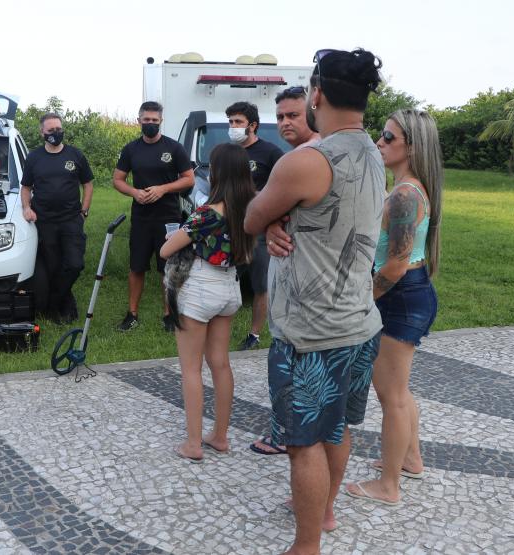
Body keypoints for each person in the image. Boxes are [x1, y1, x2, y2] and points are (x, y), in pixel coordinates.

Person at [246, 48, 385, 554]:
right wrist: (286, 220)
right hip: (361, 322)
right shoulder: (374, 150)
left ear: (317, 94)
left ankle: (305, 546)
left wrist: (273, 221)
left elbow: (250, 219)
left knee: (302, 443)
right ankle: (324, 514)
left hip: (311, 332)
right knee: (338, 426)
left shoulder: (305, 161)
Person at [343, 109, 443, 505]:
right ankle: (411, 458)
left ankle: (388, 486)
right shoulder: (406, 187)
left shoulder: (405, 193)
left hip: (399, 296)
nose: (379, 143)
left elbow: (397, 262)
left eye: (388, 137)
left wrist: (363, 300)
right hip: (408, 292)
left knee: (392, 396)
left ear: (412, 147)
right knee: (399, 390)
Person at [160, 143, 256, 461]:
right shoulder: (250, 209)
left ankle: (193, 444)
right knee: (221, 363)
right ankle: (220, 436)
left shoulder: (207, 213)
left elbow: (166, 251)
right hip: (230, 288)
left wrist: (173, 237)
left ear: (217, 173)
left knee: (190, 368)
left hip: (201, 287)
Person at [249, 86, 321, 457]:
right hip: (296, 277)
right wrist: (270, 224)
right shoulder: (300, 155)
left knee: (289, 364)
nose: (285, 123)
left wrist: (264, 221)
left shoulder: (305, 158)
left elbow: (253, 215)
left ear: (312, 109)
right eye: (279, 117)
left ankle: (287, 436)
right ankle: (294, 434)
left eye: (292, 115)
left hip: (303, 286)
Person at [113, 101, 194, 332]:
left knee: (167, 266)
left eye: (154, 121)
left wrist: (163, 189)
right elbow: (117, 179)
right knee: (136, 266)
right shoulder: (131, 149)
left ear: (161, 121)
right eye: (146, 120)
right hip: (141, 216)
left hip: (168, 216)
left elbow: (189, 179)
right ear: (139, 120)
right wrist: (134, 192)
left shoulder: (174, 148)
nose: (150, 124)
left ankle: (169, 314)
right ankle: (132, 314)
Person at [21, 113, 94, 324]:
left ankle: (54, 301)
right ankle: (63, 309)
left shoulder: (75, 155)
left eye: (59, 129)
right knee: (53, 266)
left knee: (74, 264)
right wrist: (27, 208)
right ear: (42, 132)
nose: (56, 133)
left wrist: (84, 210)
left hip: (71, 218)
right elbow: (26, 188)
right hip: (44, 221)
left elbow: (87, 184)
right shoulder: (34, 158)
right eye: (51, 130)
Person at [226, 101, 284, 351]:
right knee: (227, 278)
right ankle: (220, 329)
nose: (233, 127)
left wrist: (257, 197)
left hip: (260, 231)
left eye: (238, 122)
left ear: (253, 125)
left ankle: (255, 334)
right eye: (230, 122)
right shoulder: (227, 153)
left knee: (261, 284)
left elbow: (283, 188)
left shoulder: (270, 153)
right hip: (231, 228)